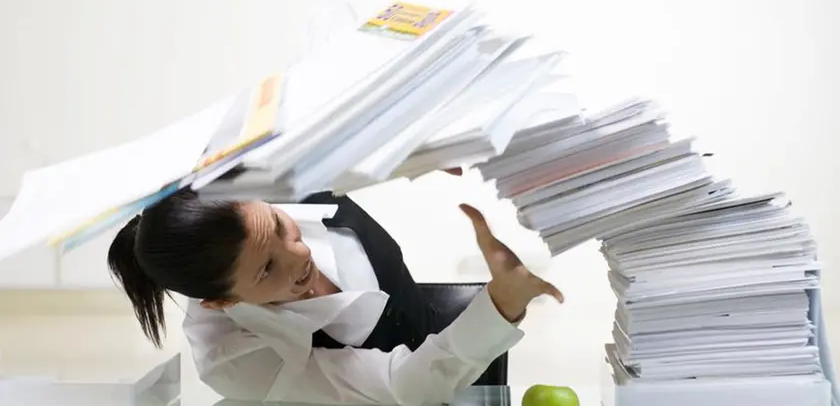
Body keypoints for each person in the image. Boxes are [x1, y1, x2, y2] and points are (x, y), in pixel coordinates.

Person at [107, 172, 563, 405]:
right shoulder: (238, 359)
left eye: (280, 226)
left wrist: (424, 148)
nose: (299, 256)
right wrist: (502, 305)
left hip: (450, 360)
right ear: (223, 302)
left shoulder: (280, 182)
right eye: (268, 269)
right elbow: (400, 387)